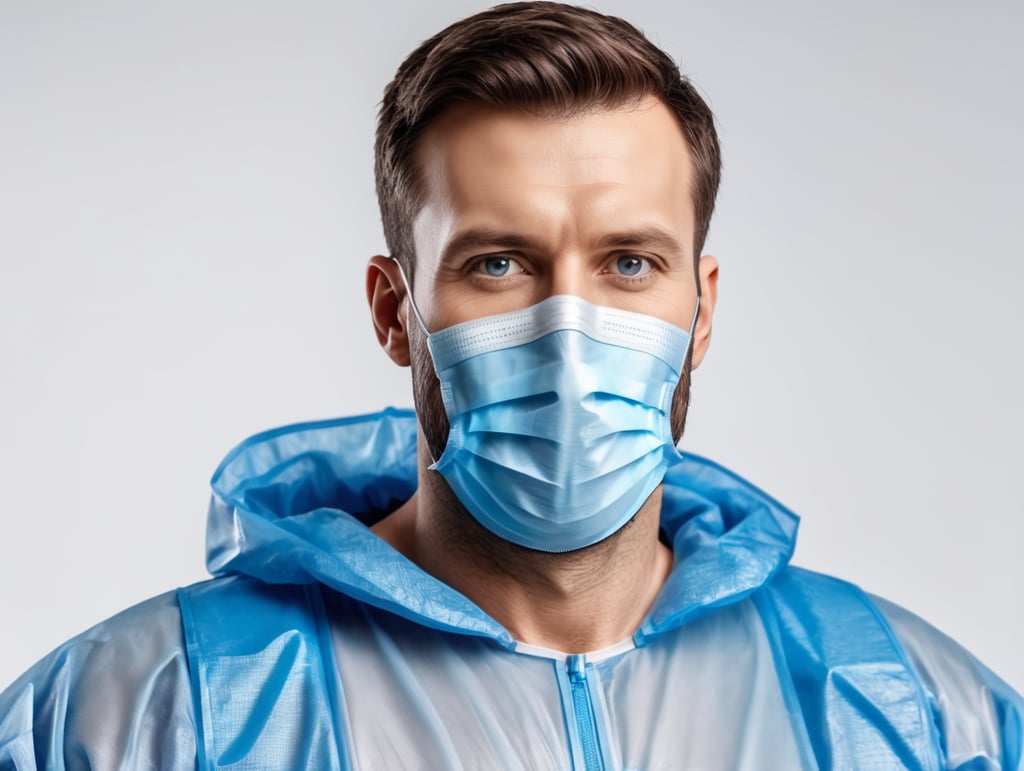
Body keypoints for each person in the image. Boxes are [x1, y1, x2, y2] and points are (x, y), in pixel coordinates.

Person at [1, 2, 1021, 769]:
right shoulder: (140, 717)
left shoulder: (923, 717)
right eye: (498, 263)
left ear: (701, 311)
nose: (570, 335)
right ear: (394, 311)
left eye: (629, 263)